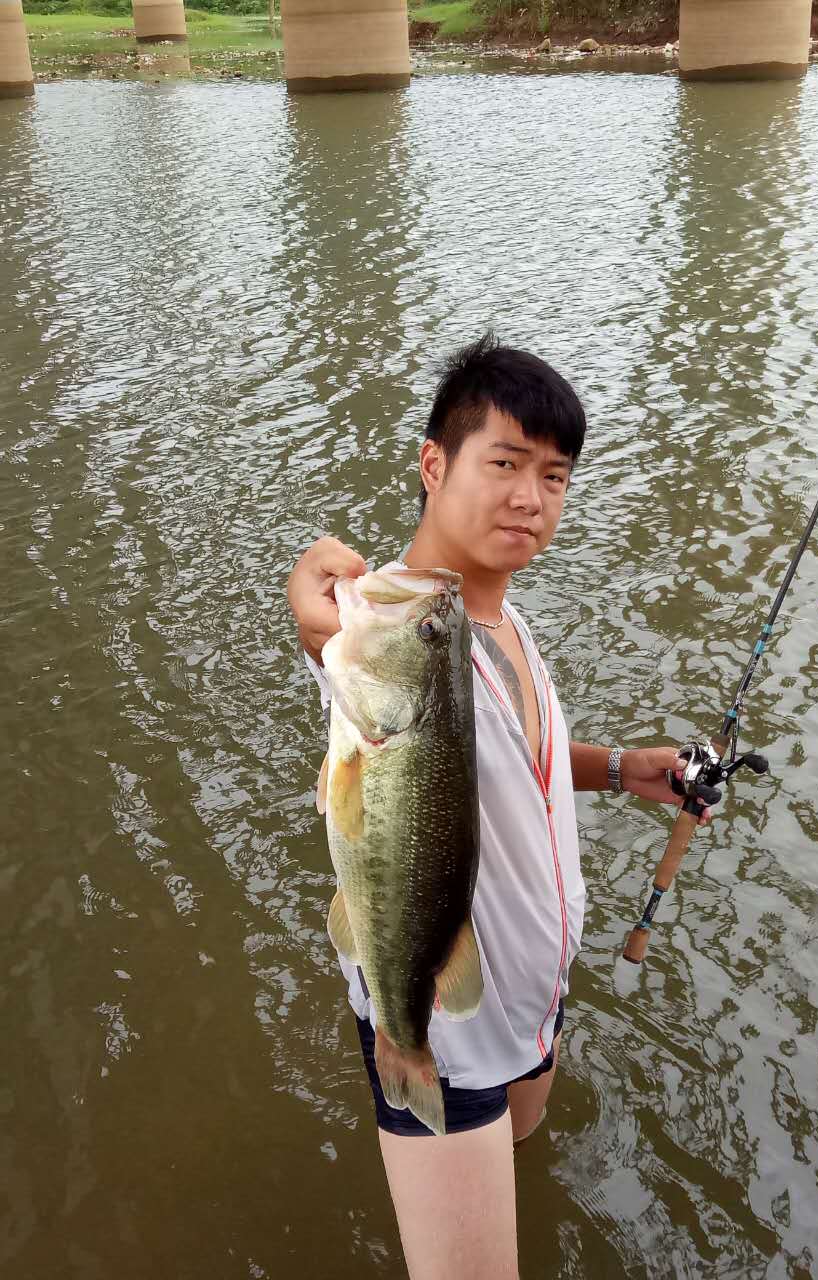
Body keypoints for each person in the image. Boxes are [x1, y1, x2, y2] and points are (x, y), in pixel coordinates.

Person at [286, 334, 710, 1280]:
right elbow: (335, 638)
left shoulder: (500, 618)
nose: (531, 498)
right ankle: (407, 1084)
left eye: (555, 476)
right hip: (443, 1024)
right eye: (506, 463)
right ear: (434, 465)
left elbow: (510, 769)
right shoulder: (390, 632)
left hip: (532, 994)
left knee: (527, 1148)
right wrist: (313, 606)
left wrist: (618, 770)